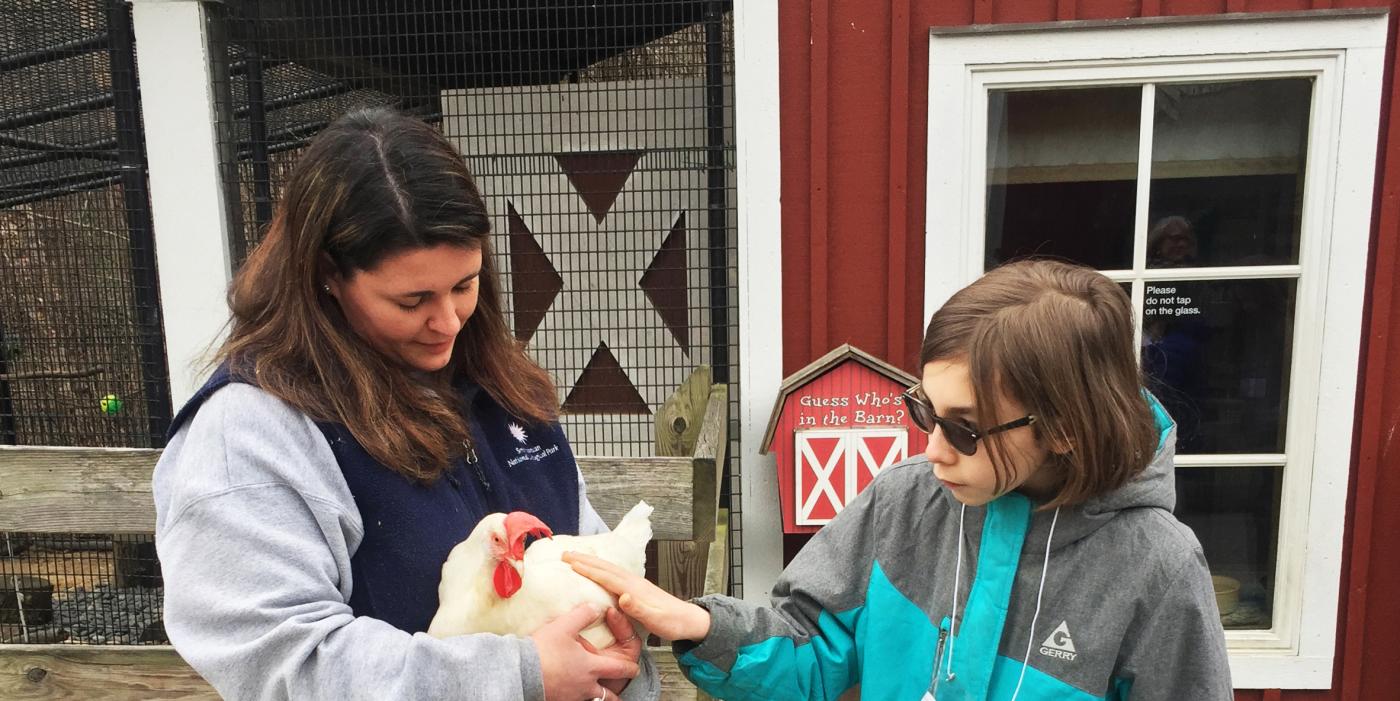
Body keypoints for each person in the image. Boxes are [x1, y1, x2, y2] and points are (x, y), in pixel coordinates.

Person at [152, 107, 659, 701]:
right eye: (411, 299)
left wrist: (623, 668)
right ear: (327, 276)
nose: (447, 322)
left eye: (465, 285)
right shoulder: (254, 431)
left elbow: (597, 569)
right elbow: (283, 658)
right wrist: (517, 675)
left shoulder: (502, 391)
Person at [568, 259, 1232, 700]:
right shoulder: (907, 500)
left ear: (1064, 426)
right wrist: (693, 622)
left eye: (966, 428)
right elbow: (811, 650)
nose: (934, 449)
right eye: (925, 410)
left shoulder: (1157, 570)